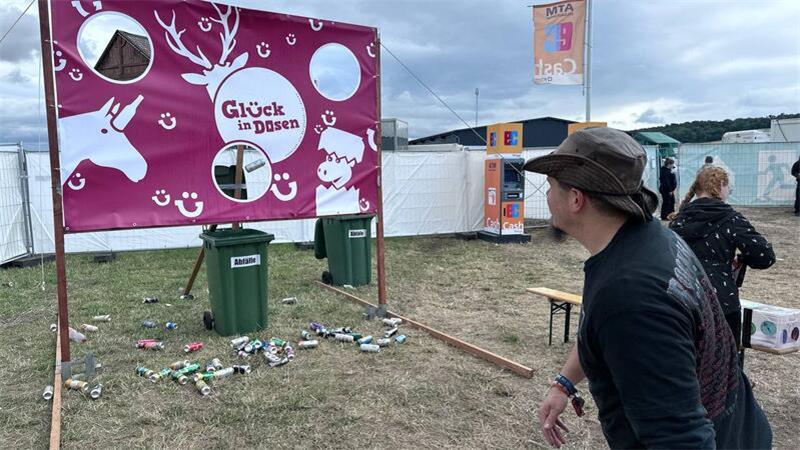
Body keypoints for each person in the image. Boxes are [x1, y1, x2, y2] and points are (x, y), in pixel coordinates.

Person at [526, 127, 771, 449]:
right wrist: (564, 383)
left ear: (575, 199)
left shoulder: (631, 295)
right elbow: (597, 331)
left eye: (550, 187)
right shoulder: (644, 239)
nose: (546, 197)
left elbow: (681, 439)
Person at [669, 166, 775, 351]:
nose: (730, 191)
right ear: (721, 185)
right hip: (721, 302)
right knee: (723, 366)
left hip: (681, 301)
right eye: (729, 186)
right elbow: (764, 256)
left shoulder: (678, 220)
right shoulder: (730, 219)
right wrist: (742, 258)